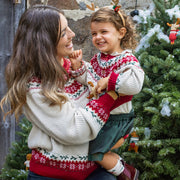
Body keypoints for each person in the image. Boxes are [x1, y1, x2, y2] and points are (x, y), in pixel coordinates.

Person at [0, 5, 121, 180]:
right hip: (54, 175)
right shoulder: (35, 87)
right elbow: (75, 130)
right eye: (64, 32)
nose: (72, 34)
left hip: (93, 170)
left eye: (68, 28)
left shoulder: (77, 68)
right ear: (45, 42)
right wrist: (111, 96)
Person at [69, 6, 144, 180]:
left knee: (94, 152)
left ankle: (127, 173)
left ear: (121, 32)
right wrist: (78, 67)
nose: (98, 37)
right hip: (101, 117)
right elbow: (90, 83)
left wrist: (110, 80)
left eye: (104, 32)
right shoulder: (98, 59)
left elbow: (135, 84)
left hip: (116, 120)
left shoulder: (126, 59)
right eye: (94, 33)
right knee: (89, 149)